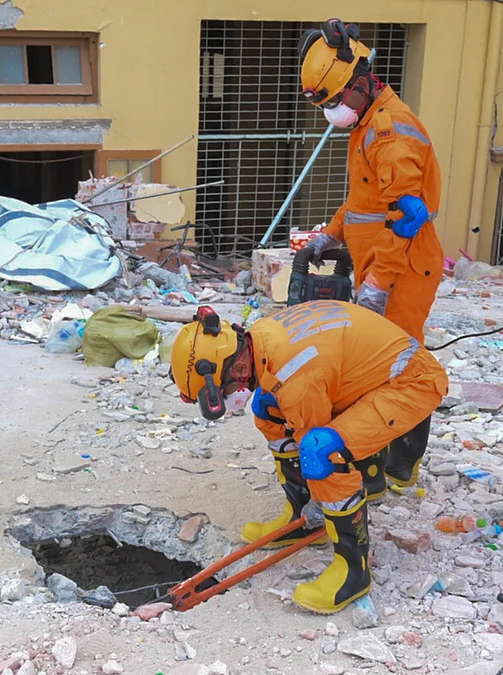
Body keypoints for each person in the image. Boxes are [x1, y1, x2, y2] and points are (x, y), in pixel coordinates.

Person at [169, 301, 447, 614]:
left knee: (321, 450)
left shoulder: (296, 376)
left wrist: (321, 501)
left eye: (225, 391)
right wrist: (312, 503)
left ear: (240, 370)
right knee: (266, 408)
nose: (228, 397)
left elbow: (312, 436)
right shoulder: (259, 340)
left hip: (410, 383)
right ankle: (301, 522)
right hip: (370, 375)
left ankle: (353, 572)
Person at [297, 19, 446, 498]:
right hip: (381, 265)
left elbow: (406, 216)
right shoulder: (366, 124)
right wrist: (329, 235)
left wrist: (379, 283)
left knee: (398, 368)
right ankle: (381, 467)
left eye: (335, 101)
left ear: (361, 82)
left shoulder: (389, 133)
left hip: (403, 269)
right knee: (379, 367)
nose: (333, 111)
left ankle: (394, 469)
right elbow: (364, 202)